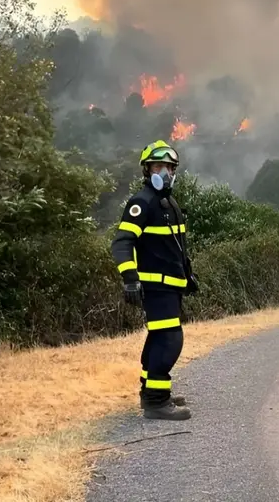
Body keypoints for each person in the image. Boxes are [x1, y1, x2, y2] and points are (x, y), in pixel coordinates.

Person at [110, 140, 199, 420]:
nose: (166, 172)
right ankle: (157, 402)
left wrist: (188, 275)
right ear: (147, 171)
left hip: (171, 285)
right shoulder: (142, 202)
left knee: (159, 337)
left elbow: (176, 245)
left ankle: (152, 391)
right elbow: (122, 242)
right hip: (155, 286)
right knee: (170, 339)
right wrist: (129, 278)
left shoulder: (168, 202)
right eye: (158, 166)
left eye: (170, 167)